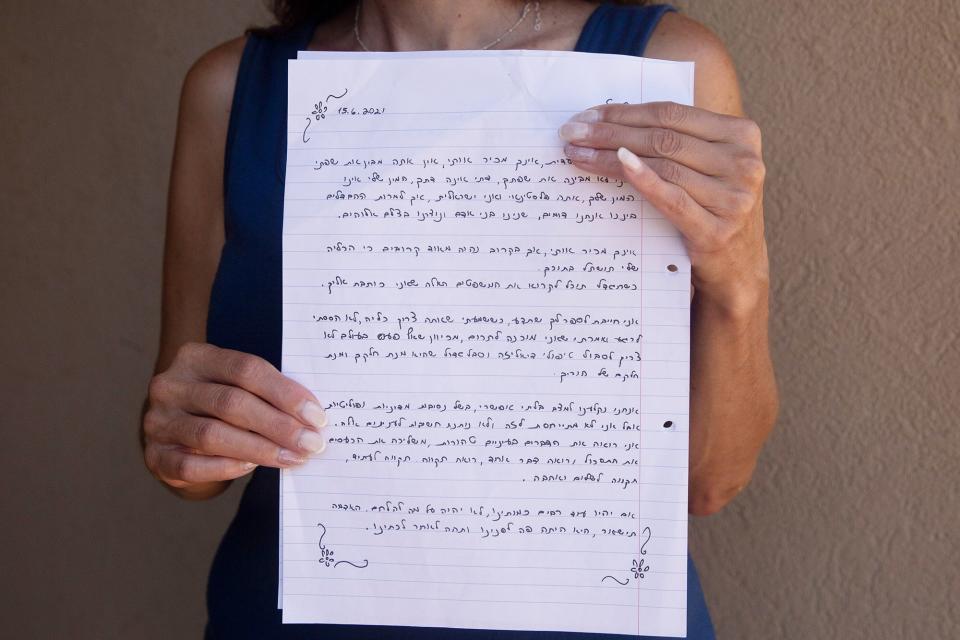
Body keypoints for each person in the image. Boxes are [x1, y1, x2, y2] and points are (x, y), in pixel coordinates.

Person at [141, 1, 779, 638]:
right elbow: (185, 451)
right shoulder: (230, 91)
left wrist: (739, 278)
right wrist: (185, 442)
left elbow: (708, 483)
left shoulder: (665, 65)